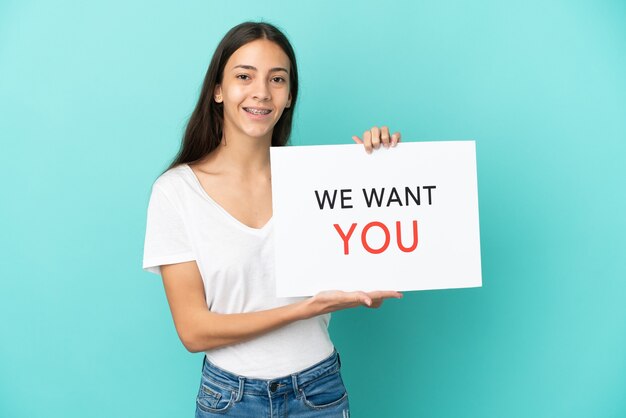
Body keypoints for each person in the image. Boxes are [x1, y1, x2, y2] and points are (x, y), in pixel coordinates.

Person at [142, 21, 403, 417]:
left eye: (277, 79)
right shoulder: (176, 191)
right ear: (218, 89)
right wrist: (304, 309)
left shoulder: (322, 181)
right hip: (229, 399)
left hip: (320, 392)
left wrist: (382, 169)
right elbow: (193, 331)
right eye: (244, 76)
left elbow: (369, 282)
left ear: (289, 96)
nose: (261, 92)